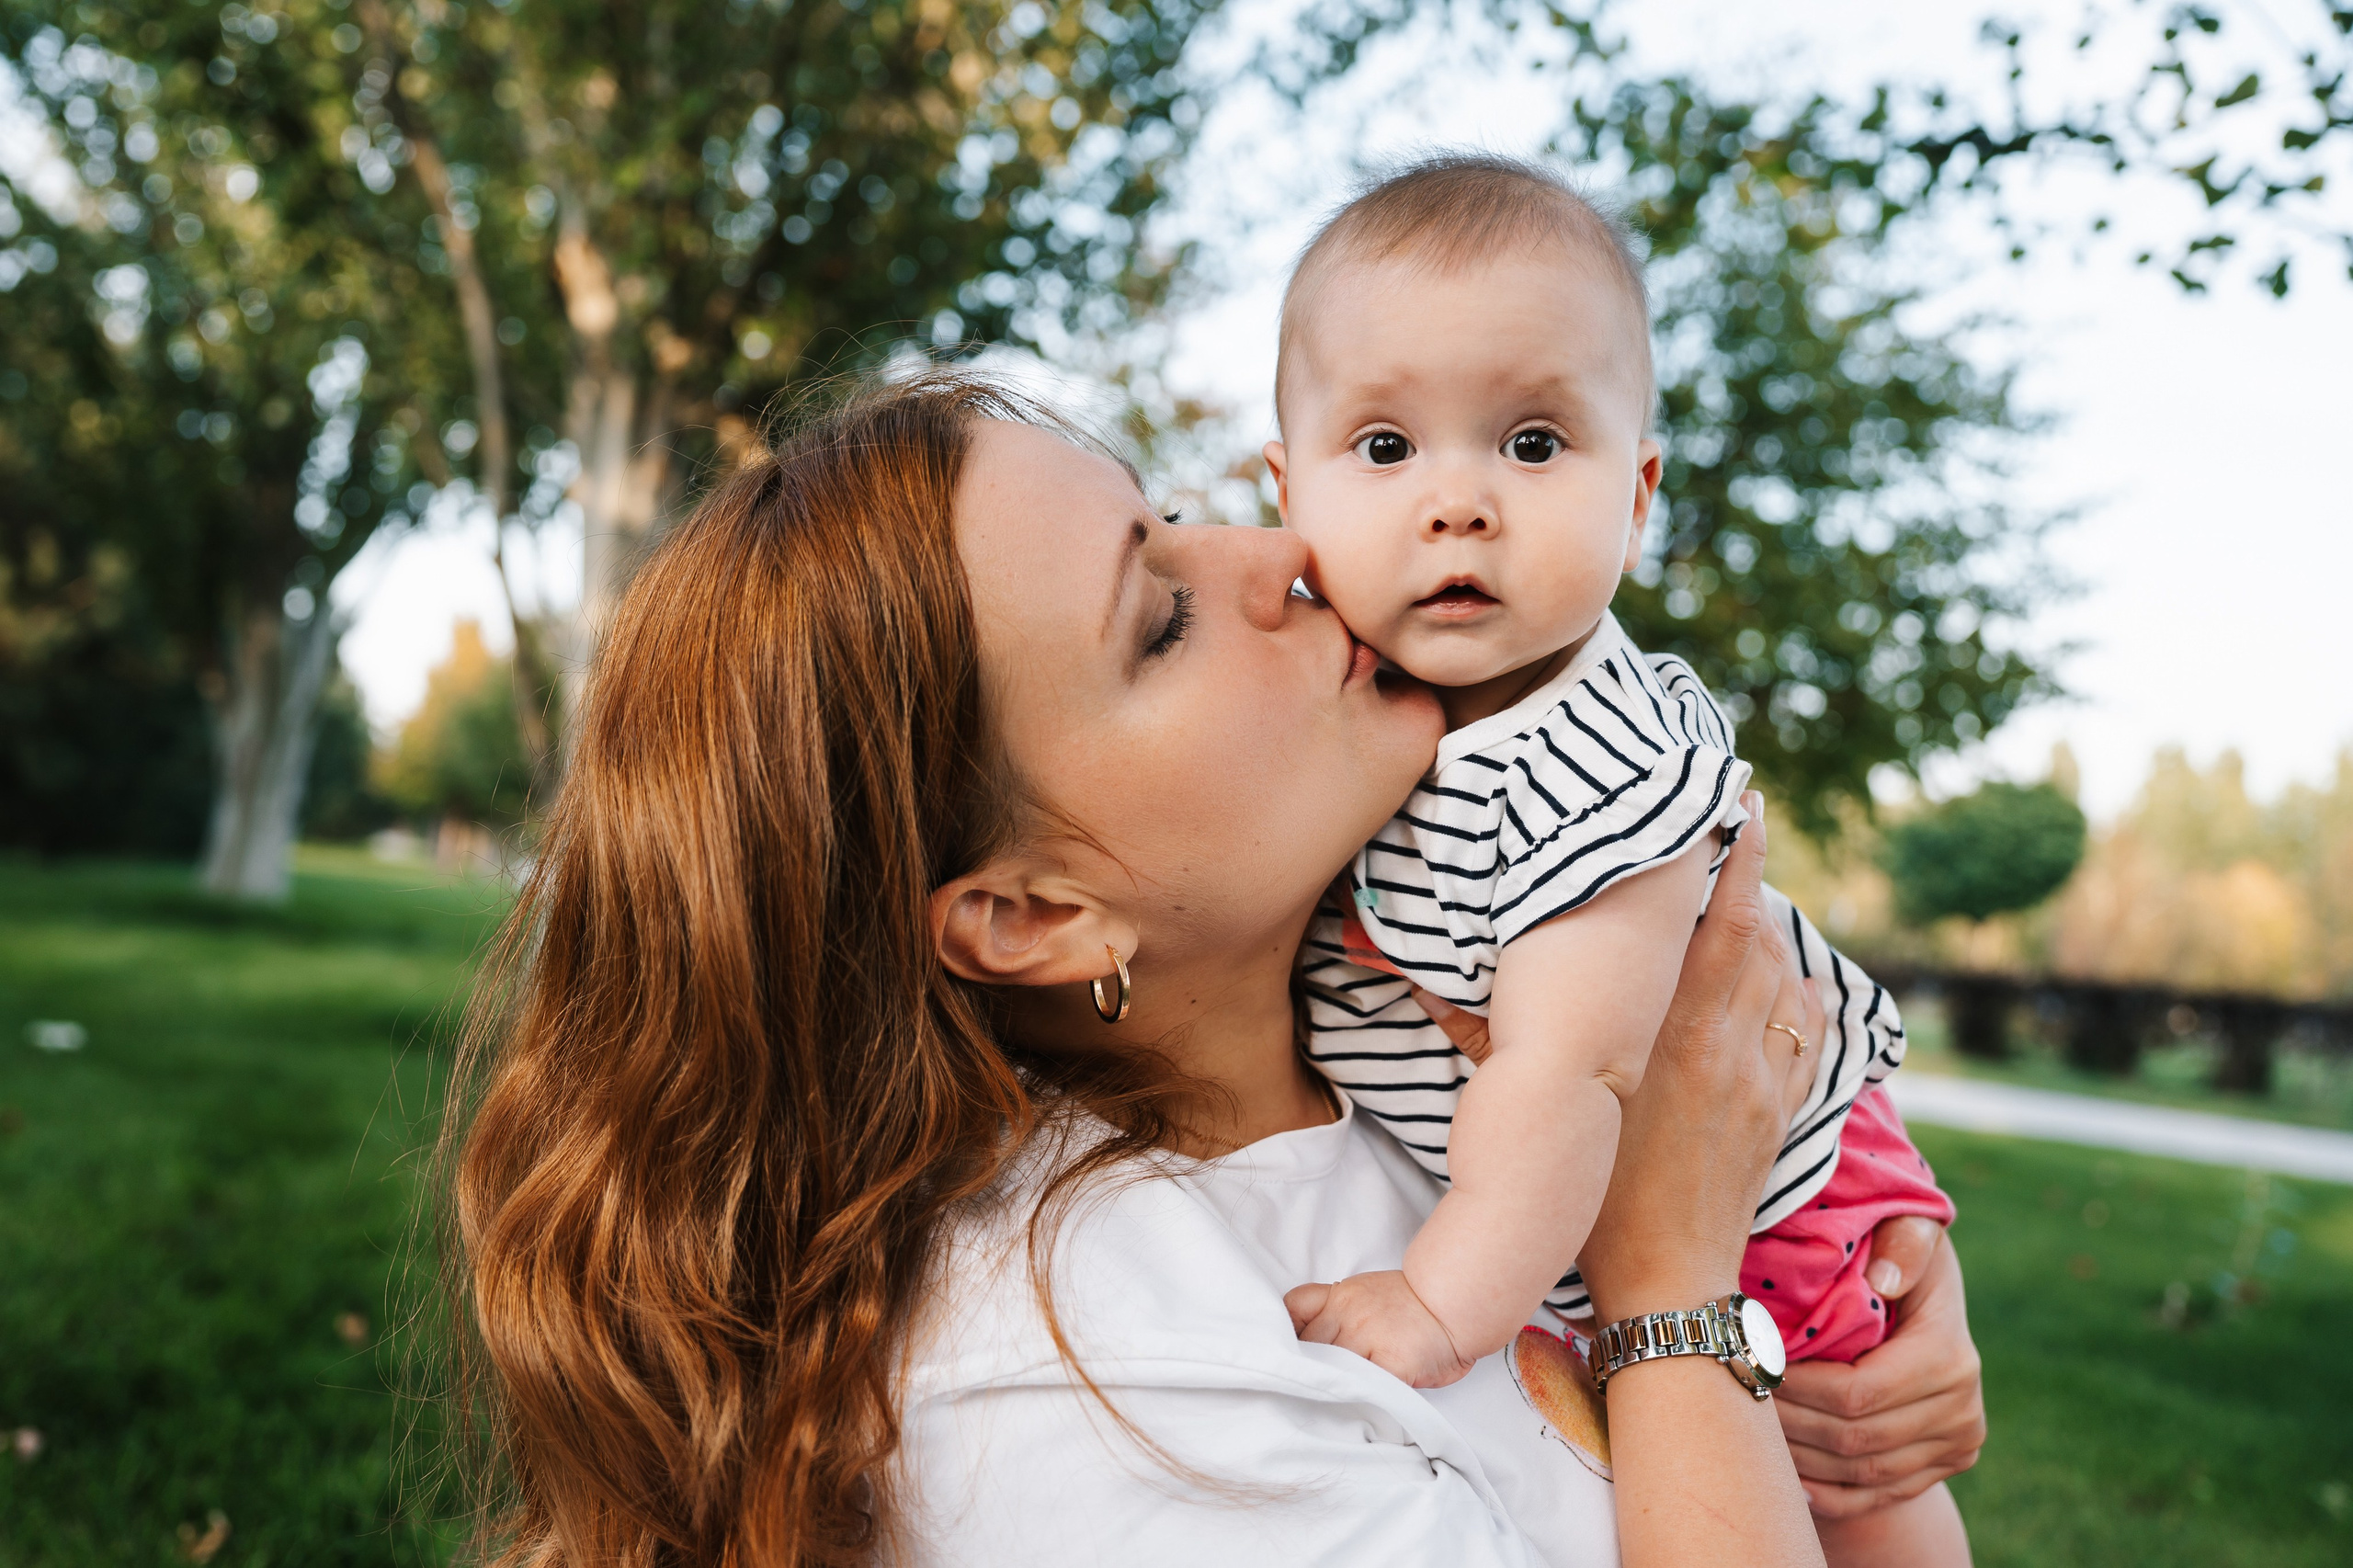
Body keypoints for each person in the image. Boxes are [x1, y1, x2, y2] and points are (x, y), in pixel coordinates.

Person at [432, 374, 1984, 1568]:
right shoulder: (1104, 1387)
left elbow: (1775, 1086)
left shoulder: (1421, 994)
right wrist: (1677, 1297)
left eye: (1177, 513)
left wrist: (1869, 1281)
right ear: (1032, 916)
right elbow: (1668, 1251)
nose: (1280, 552)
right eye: (1162, 617)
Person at [1263, 156, 1963, 1562]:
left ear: (1637, 493)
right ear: (1285, 488)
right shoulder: (1344, 700)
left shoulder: (1597, 760)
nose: (1457, 502)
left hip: (1775, 1182)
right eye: (1386, 448)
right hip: (1630, 1181)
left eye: (1531, 444)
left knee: (1855, 1473)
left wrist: (1439, 1303)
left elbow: (1569, 1071)